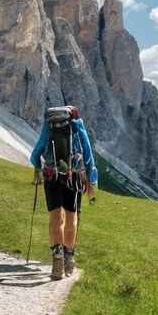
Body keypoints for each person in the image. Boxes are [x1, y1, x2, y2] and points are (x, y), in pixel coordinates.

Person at [30, 105, 98, 280]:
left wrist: (38, 167)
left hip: (51, 176)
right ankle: (69, 257)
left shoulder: (49, 124)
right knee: (71, 217)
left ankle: (57, 261)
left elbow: (36, 152)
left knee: (54, 217)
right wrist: (90, 174)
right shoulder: (77, 124)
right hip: (73, 176)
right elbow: (87, 151)